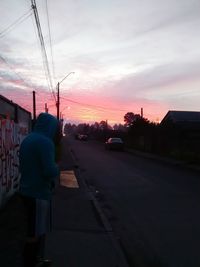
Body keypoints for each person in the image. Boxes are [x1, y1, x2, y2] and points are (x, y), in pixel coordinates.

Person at [19, 113, 61, 267]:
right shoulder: (45, 143)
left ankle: (35, 260)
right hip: (38, 193)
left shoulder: (29, 139)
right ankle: (31, 262)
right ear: (50, 127)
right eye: (57, 128)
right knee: (35, 232)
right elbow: (49, 171)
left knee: (32, 229)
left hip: (26, 190)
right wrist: (58, 167)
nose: (57, 132)